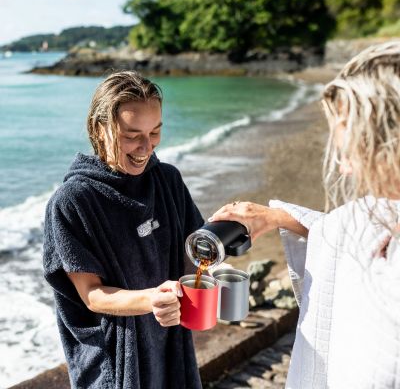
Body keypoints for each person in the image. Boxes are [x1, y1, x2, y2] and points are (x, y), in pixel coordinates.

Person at [209, 41, 400, 388]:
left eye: (354, 148)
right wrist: (275, 218)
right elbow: (342, 234)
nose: (343, 168)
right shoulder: (379, 214)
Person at [43, 70, 204, 389]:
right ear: (98, 129)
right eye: (132, 135)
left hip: (170, 344)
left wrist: (221, 237)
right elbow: (92, 295)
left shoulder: (167, 180)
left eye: (155, 132)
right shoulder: (73, 202)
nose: (146, 147)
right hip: (113, 358)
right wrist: (153, 299)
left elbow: (193, 252)